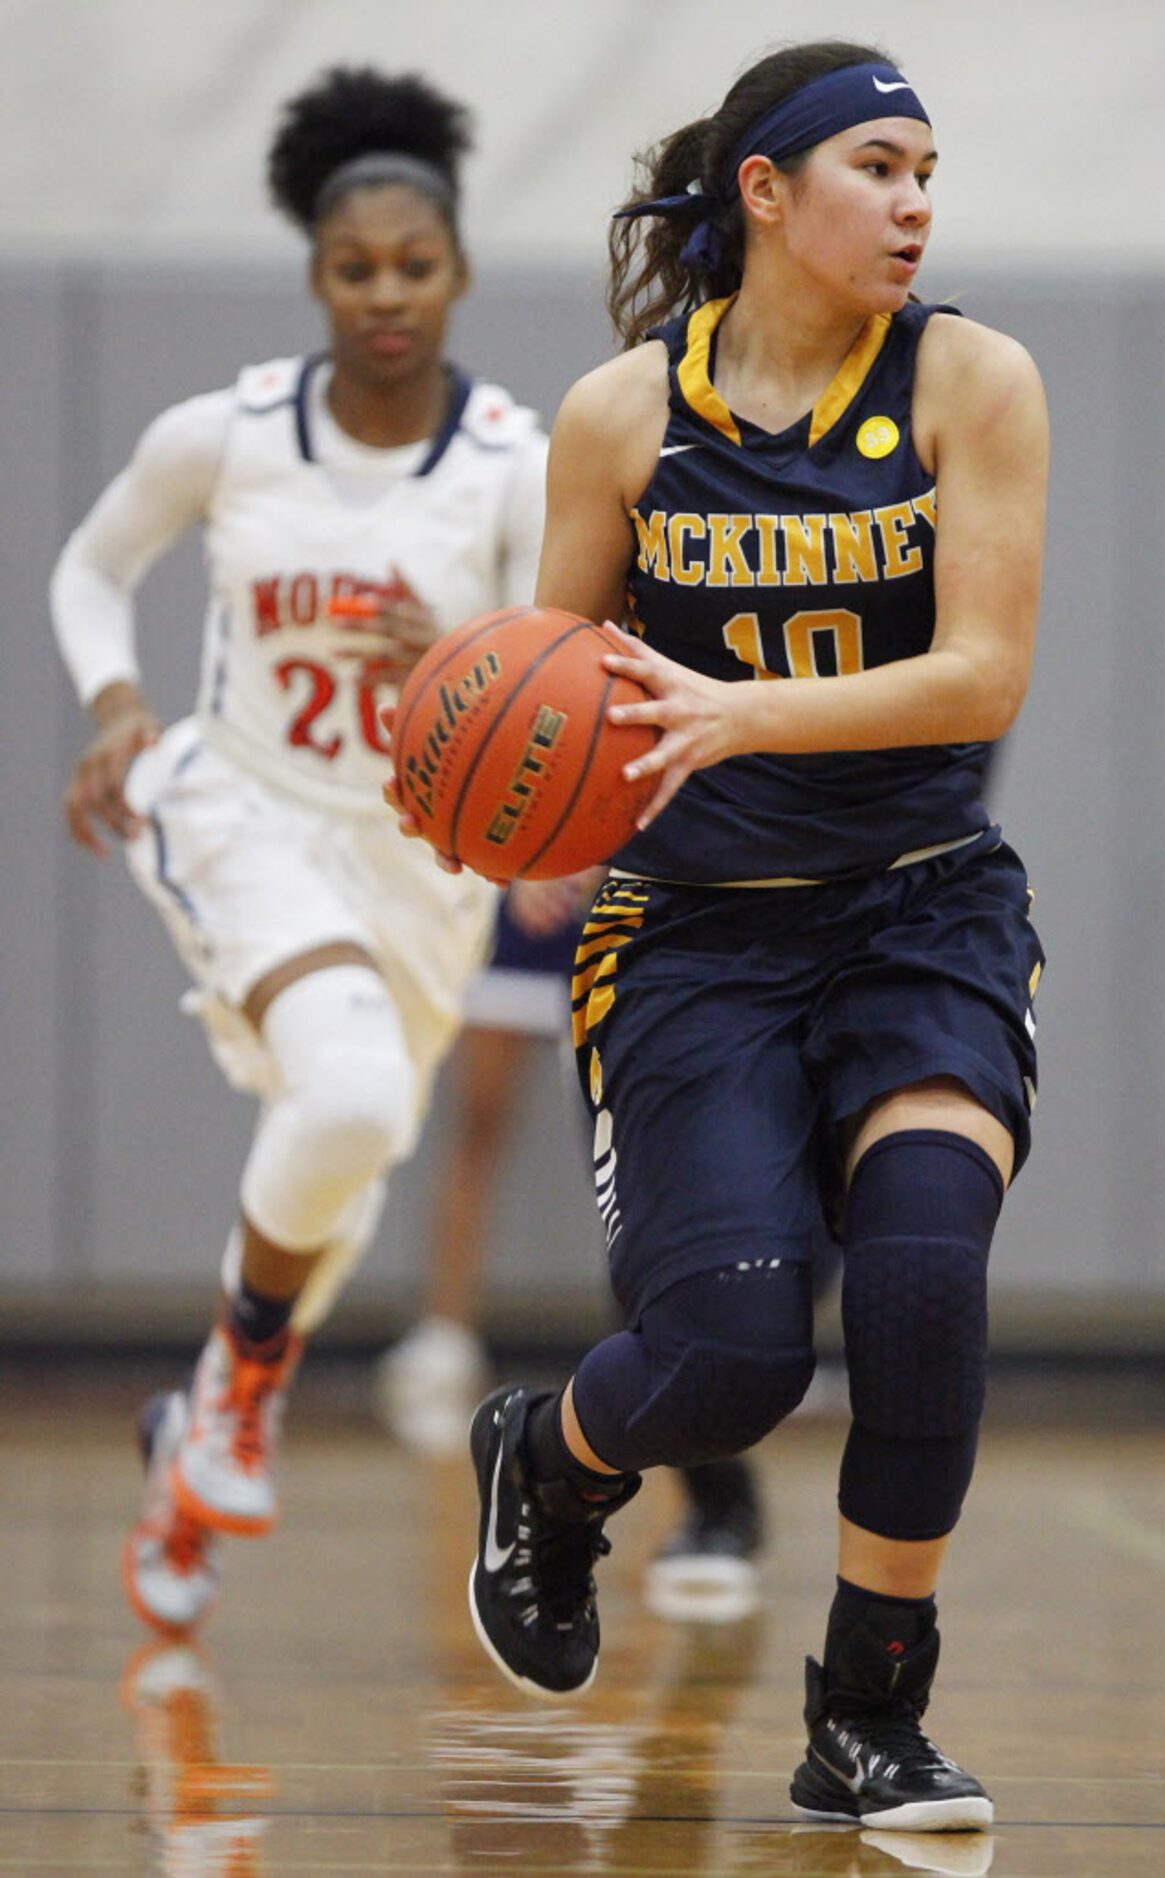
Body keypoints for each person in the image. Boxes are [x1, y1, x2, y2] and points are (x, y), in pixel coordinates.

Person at [392, 39, 1047, 1833]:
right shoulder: (621, 417)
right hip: (691, 936)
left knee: (920, 1277)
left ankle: (864, 1712)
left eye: (929, 172)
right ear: (763, 190)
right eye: (879, 169)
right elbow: (554, 686)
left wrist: (738, 714)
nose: (917, 204)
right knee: (736, 1357)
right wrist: (496, 813)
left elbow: (982, 670)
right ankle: (551, 1454)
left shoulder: (968, 382)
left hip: (921, 909)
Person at [49, 66, 549, 1639]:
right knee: (340, 1095)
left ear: (456, 272)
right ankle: (242, 1395)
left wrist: (464, 650)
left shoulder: (510, 464)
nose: (386, 293)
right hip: (245, 806)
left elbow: (559, 659)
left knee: (328, 1191)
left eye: (414, 265)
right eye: (355, 267)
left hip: (420, 866)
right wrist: (119, 701)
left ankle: (189, 1433)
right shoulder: (230, 433)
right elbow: (88, 565)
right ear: (317, 275)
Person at [372, 874, 782, 1623]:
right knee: (480, 1121)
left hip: (653, 888)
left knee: (650, 1161)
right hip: (540, 877)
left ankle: (655, 1399)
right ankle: (445, 1332)